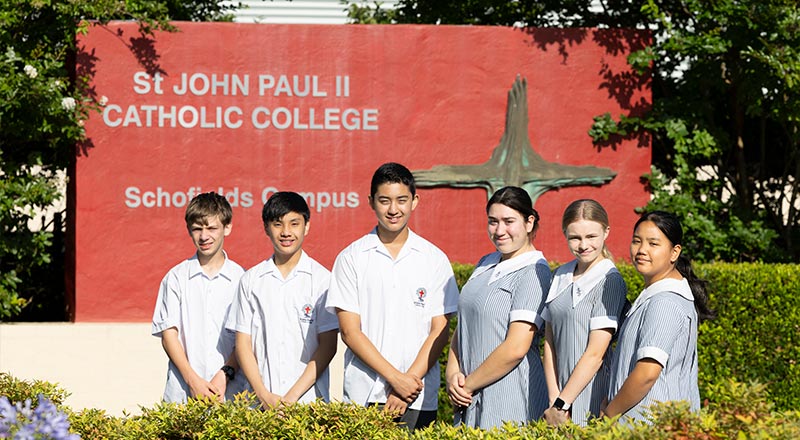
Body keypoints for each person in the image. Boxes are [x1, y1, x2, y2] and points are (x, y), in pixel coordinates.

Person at [326, 162, 459, 431]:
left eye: (401, 200)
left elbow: (440, 330)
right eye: (384, 200)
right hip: (363, 395)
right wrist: (394, 379)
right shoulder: (351, 258)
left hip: (417, 395)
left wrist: (407, 381)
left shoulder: (433, 259)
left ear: (414, 201)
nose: (393, 209)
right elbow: (350, 332)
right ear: (371, 202)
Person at [446, 186, 552, 429]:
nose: (499, 230)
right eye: (493, 221)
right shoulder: (486, 262)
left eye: (508, 221)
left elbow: (516, 347)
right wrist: (453, 376)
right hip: (470, 395)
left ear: (529, 222)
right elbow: (463, 327)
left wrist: (468, 385)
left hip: (510, 397)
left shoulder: (535, 273)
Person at [227, 192, 338, 408]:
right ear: (266, 228)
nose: (286, 232)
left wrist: (291, 398)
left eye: (294, 224)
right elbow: (243, 344)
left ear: (306, 227)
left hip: (308, 404)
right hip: (259, 405)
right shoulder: (251, 280)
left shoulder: (323, 280)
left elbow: (328, 346)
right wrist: (263, 395)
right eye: (278, 224)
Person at [603, 211, 715, 423]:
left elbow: (647, 374)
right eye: (637, 241)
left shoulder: (665, 302)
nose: (642, 250)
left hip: (653, 425)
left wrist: (610, 413)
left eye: (653, 244)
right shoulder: (657, 295)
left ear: (674, 252)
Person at [151, 191, 246, 402]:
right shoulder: (175, 278)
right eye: (197, 229)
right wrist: (193, 381)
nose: (204, 236)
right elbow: (169, 336)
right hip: (182, 393)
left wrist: (224, 375)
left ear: (227, 227)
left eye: (212, 228)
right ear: (189, 230)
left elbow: (245, 338)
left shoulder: (243, 279)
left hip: (232, 393)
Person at [541, 199, 628, 426]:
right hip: (556, 396)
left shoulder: (611, 281)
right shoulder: (559, 275)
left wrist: (563, 403)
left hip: (591, 393)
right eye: (575, 237)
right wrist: (554, 398)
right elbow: (549, 340)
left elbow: (595, 354)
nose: (583, 245)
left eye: (591, 237)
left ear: (606, 232)